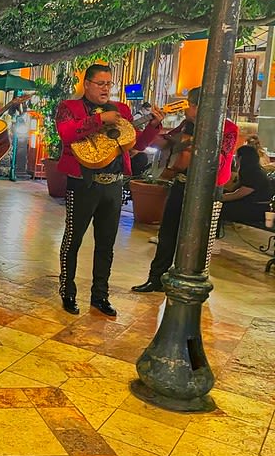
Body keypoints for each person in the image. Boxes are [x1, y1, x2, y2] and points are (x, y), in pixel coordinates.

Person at [56, 64, 162, 316]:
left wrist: (153, 126)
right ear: (87, 84)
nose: (105, 88)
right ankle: (67, 291)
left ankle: (100, 295)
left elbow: (134, 144)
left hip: (113, 183)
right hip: (82, 183)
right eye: (100, 83)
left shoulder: (122, 110)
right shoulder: (69, 108)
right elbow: (66, 134)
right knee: (73, 240)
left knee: (106, 244)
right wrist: (98, 119)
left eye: (109, 84)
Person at [132, 87, 238, 293]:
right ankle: (156, 278)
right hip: (182, 183)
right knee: (167, 233)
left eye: (189, 105)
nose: (186, 110)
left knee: (199, 240)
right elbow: (165, 143)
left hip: (207, 190)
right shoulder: (186, 125)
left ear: (200, 107)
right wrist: (154, 125)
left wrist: (187, 144)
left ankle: (193, 284)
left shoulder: (228, 129)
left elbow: (217, 159)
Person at [220, 145, 273, 226]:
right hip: (250, 204)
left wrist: (219, 198)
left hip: (255, 209)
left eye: (236, 157)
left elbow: (238, 194)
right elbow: (234, 190)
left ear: (241, 158)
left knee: (219, 208)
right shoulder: (252, 171)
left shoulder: (254, 174)